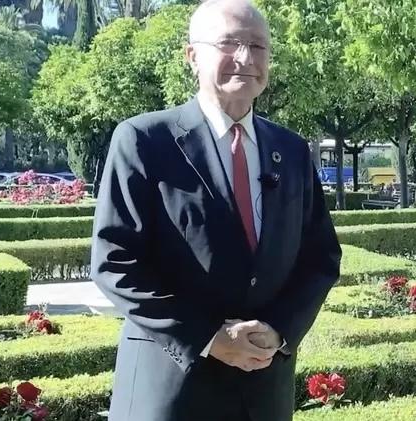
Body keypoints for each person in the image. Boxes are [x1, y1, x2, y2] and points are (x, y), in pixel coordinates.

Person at [90, 1, 341, 420]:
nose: (246, 58)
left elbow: (321, 257)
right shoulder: (143, 140)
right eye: (229, 43)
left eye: (258, 46)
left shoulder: (292, 150)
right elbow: (114, 261)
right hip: (170, 390)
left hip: (263, 392)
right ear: (192, 55)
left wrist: (279, 329)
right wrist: (208, 337)